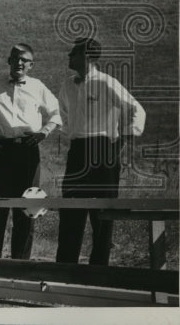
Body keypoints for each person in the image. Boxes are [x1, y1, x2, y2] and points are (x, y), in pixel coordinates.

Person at [0, 43, 62, 259]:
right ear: (9, 61)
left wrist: (43, 133)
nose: (19, 63)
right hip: (0, 150)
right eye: (16, 58)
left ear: (31, 65)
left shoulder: (38, 87)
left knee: (27, 208)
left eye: (25, 60)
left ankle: (20, 266)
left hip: (28, 151)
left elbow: (57, 113)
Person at [56, 37, 146, 266]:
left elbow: (136, 109)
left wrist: (123, 139)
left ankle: (99, 269)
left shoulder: (106, 83)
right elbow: (62, 112)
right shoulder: (68, 85)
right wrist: (71, 133)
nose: (69, 56)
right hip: (77, 151)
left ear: (86, 56)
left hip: (104, 151)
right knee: (70, 209)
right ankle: (65, 268)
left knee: (103, 214)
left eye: (73, 53)